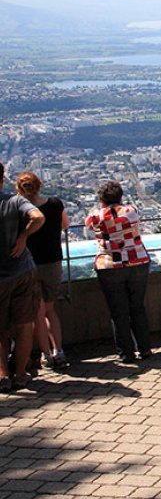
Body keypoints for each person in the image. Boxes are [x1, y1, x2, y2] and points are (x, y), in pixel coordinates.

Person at [85, 181, 154, 364]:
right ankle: (145, 349)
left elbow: (90, 224)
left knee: (118, 311)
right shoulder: (131, 211)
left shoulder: (96, 216)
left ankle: (126, 353)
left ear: (102, 199)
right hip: (137, 261)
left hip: (110, 264)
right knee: (137, 307)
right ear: (120, 197)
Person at [16, 172, 70, 371]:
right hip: (53, 261)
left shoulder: (21, 210)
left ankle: (46, 355)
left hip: (29, 264)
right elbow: (65, 225)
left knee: (37, 313)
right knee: (50, 309)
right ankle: (59, 351)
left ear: (19, 189)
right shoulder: (55, 204)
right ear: (40, 185)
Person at [0, 162, 45, 391]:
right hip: (21, 270)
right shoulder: (14, 200)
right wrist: (23, 237)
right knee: (24, 324)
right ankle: (20, 373)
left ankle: (3, 375)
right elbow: (38, 217)